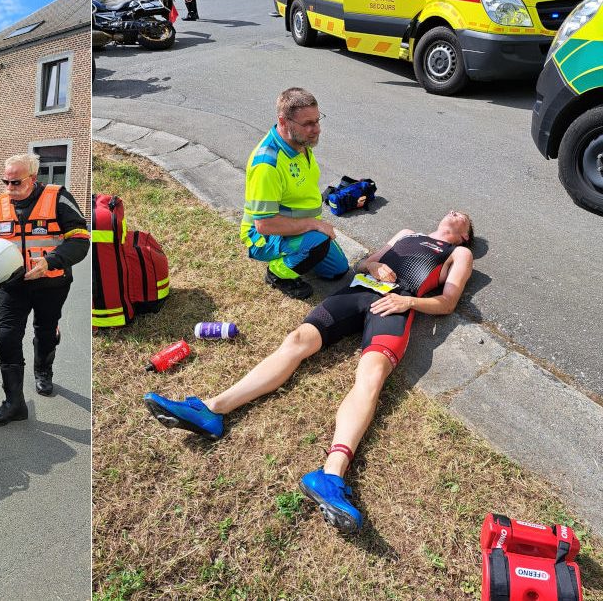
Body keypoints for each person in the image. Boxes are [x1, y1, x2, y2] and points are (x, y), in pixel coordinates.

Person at [144, 211, 475, 534]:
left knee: (371, 376)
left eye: (463, 219)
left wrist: (409, 304)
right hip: (358, 291)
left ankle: (331, 476)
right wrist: (373, 265)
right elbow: (363, 264)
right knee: (297, 340)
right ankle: (211, 410)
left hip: (396, 305)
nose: (455, 212)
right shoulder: (405, 234)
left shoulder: (458, 252)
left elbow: (447, 302)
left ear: (464, 234)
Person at [0, 152, 89, 426]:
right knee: (6, 336)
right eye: (5, 181)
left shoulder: (58, 198)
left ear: (33, 178)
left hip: (51, 282)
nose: (9, 188)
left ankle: (43, 370)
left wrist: (51, 260)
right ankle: (14, 403)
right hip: (13, 286)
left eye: (15, 182)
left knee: (44, 331)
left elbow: (80, 241)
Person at [242, 87, 350, 300]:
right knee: (318, 242)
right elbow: (264, 225)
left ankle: (302, 250)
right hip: (264, 237)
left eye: (317, 121)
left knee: (339, 269)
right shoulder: (267, 165)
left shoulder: (299, 142)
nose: (316, 129)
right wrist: (313, 224)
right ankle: (277, 273)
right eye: (308, 124)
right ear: (283, 122)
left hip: (294, 228)